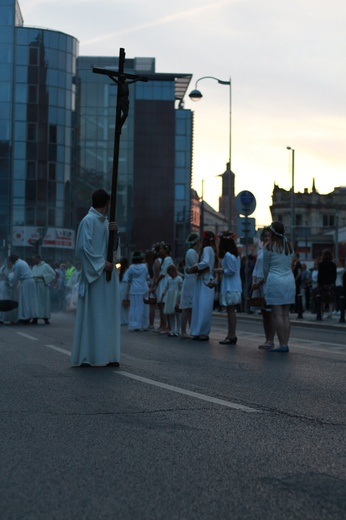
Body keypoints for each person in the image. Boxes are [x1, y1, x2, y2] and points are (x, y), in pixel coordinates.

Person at [70, 189, 121, 367]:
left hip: (106, 275)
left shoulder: (107, 223)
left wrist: (116, 233)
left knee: (108, 315)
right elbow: (83, 248)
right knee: (94, 315)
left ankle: (108, 355)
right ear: (107, 203)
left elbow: (113, 249)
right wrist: (101, 264)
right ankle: (89, 355)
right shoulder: (88, 221)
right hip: (96, 276)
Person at [263, 221, 295, 353]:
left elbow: (266, 268)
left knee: (277, 315)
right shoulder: (289, 246)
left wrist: (266, 282)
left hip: (275, 282)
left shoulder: (268, 246)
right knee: (286, 315)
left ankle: (282, 344)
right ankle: (285, 343)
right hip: (289, 281)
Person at [187, 230, 218, 341]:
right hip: (206, 279)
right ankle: (201, 331)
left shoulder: (206, 249)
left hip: (204, 280)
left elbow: (205, 263)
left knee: (201, 306)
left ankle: (200, 331)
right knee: (204, 306)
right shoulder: (212, 249)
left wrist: (194, 267)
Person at [214, 231, 242, 345]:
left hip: (231, 286)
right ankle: (231, 335)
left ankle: (231, 335)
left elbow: (231, 271)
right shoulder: (234, 255)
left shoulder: (228, 256)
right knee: (231, 311)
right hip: (233, 285)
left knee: (230, 311)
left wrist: (219, 270)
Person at [250, 227, 275, 350]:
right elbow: (256, 268)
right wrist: (254, 281)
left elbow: (271, 270)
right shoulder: (262, 250)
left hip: (266, 284)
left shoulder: (272, 251)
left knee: (270, 313)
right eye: (264, 236)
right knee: (264, 314)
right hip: (258, 284)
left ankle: (271, 340)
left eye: (268, 236)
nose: (266, 238)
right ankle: (267, 339)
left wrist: (260, 282)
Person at [7, 254, 39, 324]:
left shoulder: (17, 265)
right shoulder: (23, 262)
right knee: (32, 300)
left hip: (26, 282)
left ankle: (25, 317)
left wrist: (11, 283)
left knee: (25, 300)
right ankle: (34, 316)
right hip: (31, 281)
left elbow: (15, 277)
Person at [179, 232, 200, 339]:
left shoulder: (192, 251)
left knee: (190, 307)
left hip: (192, 280)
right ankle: (183, 331)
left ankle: (191, 329)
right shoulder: (191, 252)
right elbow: (195, 265)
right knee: (187, 307)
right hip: (191, 281)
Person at [123, 251, 150, 331]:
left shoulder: (131, 267)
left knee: (134, 307)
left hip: (134, 289)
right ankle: (144, 324)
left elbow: (126, 279)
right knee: (144, 307)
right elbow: (147, 277)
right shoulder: (145, 267)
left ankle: (134, 324)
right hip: (143, 288)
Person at [152, 242, 173, 333]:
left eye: (162, 249)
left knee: (163, 304)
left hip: (164, 282)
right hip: (162, 282)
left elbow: (163, 273)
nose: (160, 251)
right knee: (161, 305)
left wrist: (156, 281)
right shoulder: (165, 259)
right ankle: (162, 325)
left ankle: (166, 326)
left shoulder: (168, 259)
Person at [31, 254, 56, 324]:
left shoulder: (46, 266)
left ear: (38, 259)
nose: (33, 261)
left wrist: (43, 277)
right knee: (36, 302)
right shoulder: (34, 267)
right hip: (35, 286)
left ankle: (45, 317)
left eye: (34, 259)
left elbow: (53, 274)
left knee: (43, 302)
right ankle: (35, 317)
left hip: (42, 286)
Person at [161, 264, 183, 337]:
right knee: (171, 314)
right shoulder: (169, 279)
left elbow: (181, 289)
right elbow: (166, 287)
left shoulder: (179, 279)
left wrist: (179, 299)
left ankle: (178, 331)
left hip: (176, 297)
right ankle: (172, 330)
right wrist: (163, 294)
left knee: (178, 314)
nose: (170, 275)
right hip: (170, 298)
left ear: (174, 271)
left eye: (171, 273)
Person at [317, 249, 337, 319]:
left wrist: (319, 283)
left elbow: (319, 275)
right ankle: (330, 313)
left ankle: (322, 313)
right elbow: (335, 275)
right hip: (331, 283)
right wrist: (333, 282)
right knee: (331, 299)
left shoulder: (321, 264)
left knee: (323, 300)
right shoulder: (333, 265)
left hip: (323, 284)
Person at [0, 259, 19, 324]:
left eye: (10, 264)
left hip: (12, 289)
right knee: (2, 303)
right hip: (4, 288)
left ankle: (13, 319)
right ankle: (1, 318)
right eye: (8, 264)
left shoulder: (15, 269)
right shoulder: (3, 268)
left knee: (13, 304)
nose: (9, 265)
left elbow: (16, 278)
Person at [118, 257, 129, 326]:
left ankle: (121, 319)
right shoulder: (127, 270)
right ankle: (125, 319)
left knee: (121, 304)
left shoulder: (120, 270)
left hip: (121, 286)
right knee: (125, 305)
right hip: (125, 286)